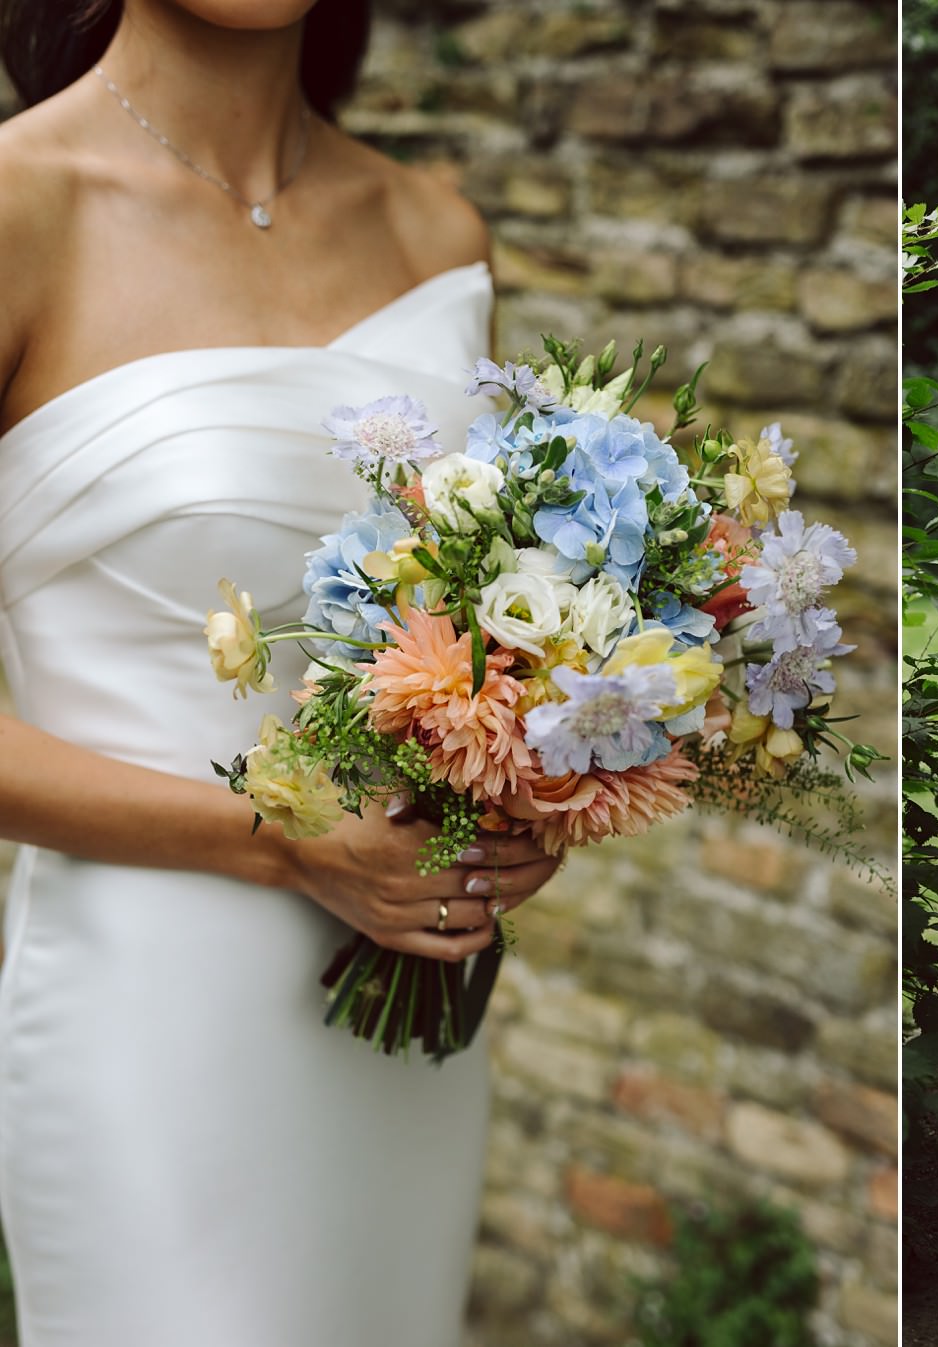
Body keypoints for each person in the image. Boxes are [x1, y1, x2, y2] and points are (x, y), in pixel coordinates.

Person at [0, 2, 561, 1340]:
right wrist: (280, 836)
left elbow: (482, 623)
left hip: (404, 1016)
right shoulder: (21, 209)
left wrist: (524, 796)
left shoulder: (438, 234)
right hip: (147, 1012)